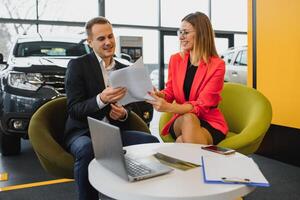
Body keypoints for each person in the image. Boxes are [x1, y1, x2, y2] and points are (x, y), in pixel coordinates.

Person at [64, 16, 159, 200]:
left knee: (151, 141)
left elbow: (132, 107)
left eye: (110, 36)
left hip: (114, 133)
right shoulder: (78, 66)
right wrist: (101, 99)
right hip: (83, 133)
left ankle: (140, 195)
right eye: (101, 39)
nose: (108, 42)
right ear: (90, 42)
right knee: (87, 149)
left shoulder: (125, 69)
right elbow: (74, 109)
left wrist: (123, 114)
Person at [147, 12, 228, 145]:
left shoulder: (217, 65)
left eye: (185, 32)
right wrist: (160, 95)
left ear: (201, 34)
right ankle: (206, 165)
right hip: (181, 119)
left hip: (210, 122)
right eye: (180, 32)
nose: (181, 37)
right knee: (189, 118)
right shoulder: (176, 59)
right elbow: (171, 91)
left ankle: (184, 164)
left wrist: (169, 107)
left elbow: (201, 106)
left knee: (181, 141)